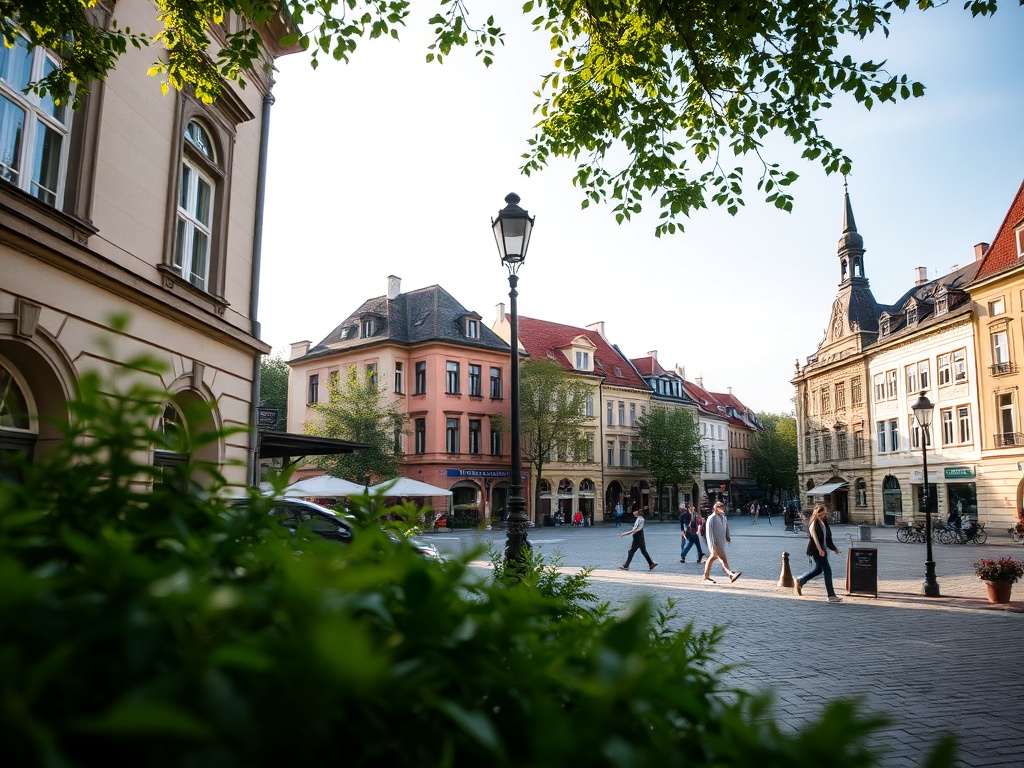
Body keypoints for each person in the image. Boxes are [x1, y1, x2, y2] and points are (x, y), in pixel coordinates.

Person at [793, 504, 843, 602]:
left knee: (818, 570)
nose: (822, 516)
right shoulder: (813, 523)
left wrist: (834, 549)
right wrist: (820, 549)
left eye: (823, 514)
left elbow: (828, 537)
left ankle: (801, 581)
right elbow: (815, 539)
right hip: (816, 550)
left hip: (822, 549)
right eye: (820, 515)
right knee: (827, 571)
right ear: (816, 514)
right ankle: (831, 596)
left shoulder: (824, 522)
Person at [702, 501, 741, 584]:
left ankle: (705, 577)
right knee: (723, 559)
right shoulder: (711, 518)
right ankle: (731, 574)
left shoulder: (724, 517)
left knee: (711, 559)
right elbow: (709, 533)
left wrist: (728, 536)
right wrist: (712, 544)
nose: (723, 508)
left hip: (721, 542)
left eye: (723, 507)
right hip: (715, 543)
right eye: (721, 507)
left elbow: (726, 528)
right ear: (716, 508)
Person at [618, 503, 657, 571]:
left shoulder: (640, 519)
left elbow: (634, 530)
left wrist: (624, 534)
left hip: (637, 538)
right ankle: (651, 564)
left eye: (635, 511)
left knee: (632, 551)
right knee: (643, 552)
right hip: (640, 537)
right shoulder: (640, 519)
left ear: (637, 512)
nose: (633, 513)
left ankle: (626, 565)